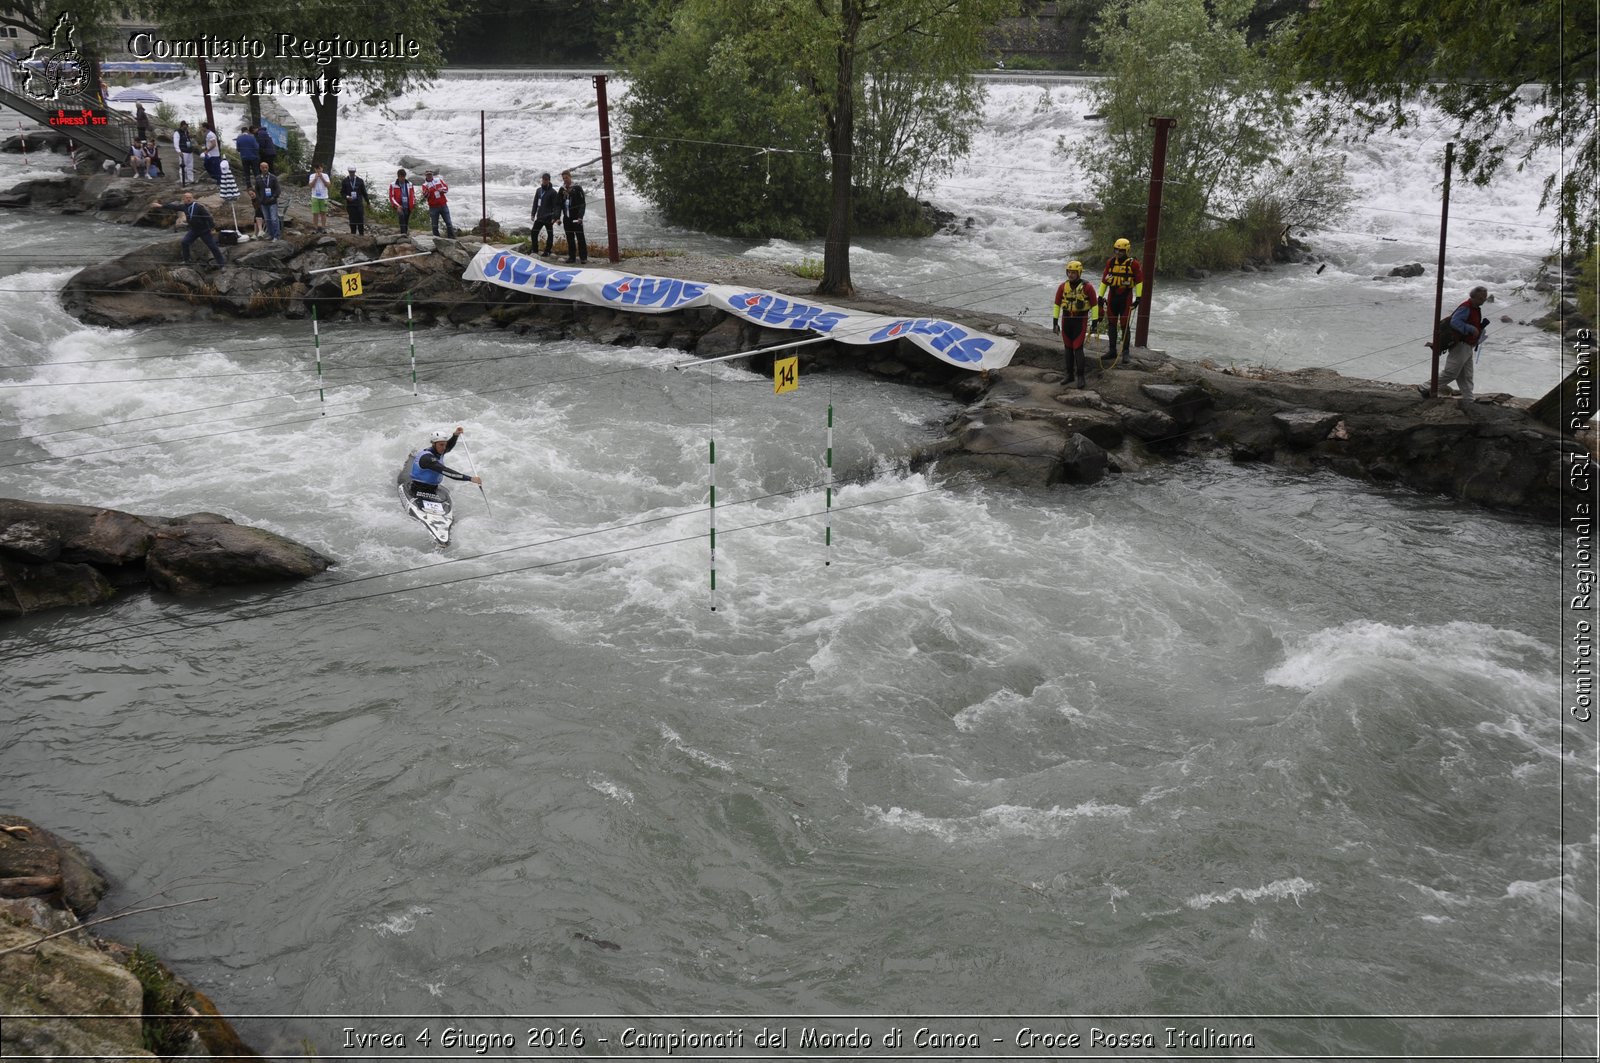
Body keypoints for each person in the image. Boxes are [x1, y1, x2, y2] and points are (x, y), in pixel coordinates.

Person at [1419, 286, 1489, 401]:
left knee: (1466, 375)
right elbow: (1455, 322)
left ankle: (1469, 398)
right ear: (1474, 297)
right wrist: (1471, 329)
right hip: (1460, 344)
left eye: (1485, 298)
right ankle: (1424, 387)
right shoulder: (1466, 307)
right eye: (1481, 298)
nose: (1484, 300)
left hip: (1468, 345)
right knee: (1451, 372)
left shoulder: (1475, 308)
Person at [1051, 259, 1100, 389]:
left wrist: (1094, 324)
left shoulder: (1087, 287)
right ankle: (1069, 375)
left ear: (1079, 273)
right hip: (1066, 319)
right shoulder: (1062, 287)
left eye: (1073, 272)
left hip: (1080, 320)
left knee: (1077, 348)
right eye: (1069, 272)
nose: (1071, 275)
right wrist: (1055, 322)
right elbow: (1057, 304)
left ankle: (1081, 377)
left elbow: (1095, 306)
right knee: (1067, 348)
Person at [1099, 236, 1144, 366]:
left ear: (1127, 251)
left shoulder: (1134, 264)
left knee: (1124, 325)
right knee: (1112, 324)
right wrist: (1100, 297)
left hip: (1126, 298)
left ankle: (1125, 352)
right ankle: (1112, 350)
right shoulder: (1111, 263)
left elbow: (1139, 281)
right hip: (1112, 297)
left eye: (1121, 251)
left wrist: (1138, 298)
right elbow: (1104, 280)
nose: (1118, 253)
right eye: (1116, 250)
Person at [151, 192, 226, 268]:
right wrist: (160, 206)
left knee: (212, 246)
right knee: (185, 242)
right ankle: (187, 260)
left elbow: (208, 217)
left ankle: (221, 263)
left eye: (190, 197)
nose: (189, 199)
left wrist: (211, 228)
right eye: (187, 197)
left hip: (204, 230)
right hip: (194, 230)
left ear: (192, 198)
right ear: (184, 199)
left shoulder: (198, 207)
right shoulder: (184, 207)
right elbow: (173, 207)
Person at [407, 427, 482, 498]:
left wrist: (455, 435)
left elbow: (448, 446)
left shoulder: (439, 450)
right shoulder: (427, 458)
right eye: (441, 445)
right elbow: (447, 472)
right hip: (417, 488)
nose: (444, 448)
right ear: (433, 444)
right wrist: (470, 479)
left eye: (445, 445)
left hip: (433, 488)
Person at [560, 169, 587, 264]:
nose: (565, 180)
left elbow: (582, 204)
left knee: (580, 237)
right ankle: (572, 257)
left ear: (570, 177)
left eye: (566, 178)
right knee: (570, 238)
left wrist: (580, 216)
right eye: (563, 178)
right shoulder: (562, 189)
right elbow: (558, 204)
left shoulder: (577, 188)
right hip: (567, 218)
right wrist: (556, 217)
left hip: (576, 218)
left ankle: (583, 257)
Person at [531, 172, 560, 256]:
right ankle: (535, 249)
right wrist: (533, 214)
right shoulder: (539, 190)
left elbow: (556, 206)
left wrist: (554, 217)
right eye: (543, 179)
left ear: (549, 180)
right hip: (540, 216)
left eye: (546, 180)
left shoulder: (553, 192)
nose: (544, 181)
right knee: (534, 232)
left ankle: (547, 250)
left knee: (550, 234)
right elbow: (535, 202)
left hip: (549, 218)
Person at [420, 169, 455, 238]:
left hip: (443, 204)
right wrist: (428, 191)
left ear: (432, 175)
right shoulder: (424, 185)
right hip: (433, 207)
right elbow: (425, 196)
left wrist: (441, 190)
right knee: (434, 225)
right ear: (425, 176)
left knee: (448, 222)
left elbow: (446, 188)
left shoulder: (438, 180)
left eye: (430, 174)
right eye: (428, 175)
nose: (429, 176)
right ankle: (437, 239)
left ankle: (451, 237)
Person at [253, 161, 282, 240]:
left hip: (272, 202)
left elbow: (278, 189)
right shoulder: (258, 178)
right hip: (263, 202)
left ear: (268, 167)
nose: (265, 169)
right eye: (263, 167)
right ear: (260, 168)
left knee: (274, 219)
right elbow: (256, 190)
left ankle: (276, 236)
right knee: (267, 219)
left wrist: (274, 197)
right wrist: (259, 199)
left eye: (266, 167)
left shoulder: (273, 177)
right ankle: (270, 234)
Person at [340, 166, 371, 234]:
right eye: (350, 172)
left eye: (353, 172)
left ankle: (361, 235)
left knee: (360, 219)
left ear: (355, 172)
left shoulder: (360, 180)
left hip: (359, 203)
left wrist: (368, 202)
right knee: (352, 220)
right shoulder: (345, 181)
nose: (352, 173)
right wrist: (347, 197)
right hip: (350, 204)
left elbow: (364, 192)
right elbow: (342, 192)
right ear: (348, 172)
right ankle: (353, 235)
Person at [390, 168, 416, 236]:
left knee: (406, 220)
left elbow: (413, 195)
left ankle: (405, 233)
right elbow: (391, 197)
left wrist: (413, 205)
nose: (402, 178)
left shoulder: (410, 184)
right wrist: (397, 206)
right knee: (401, 216)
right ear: (398, 176)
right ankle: (403, 234)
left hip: (407, 205)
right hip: (399, 206)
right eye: (401, 177)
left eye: (403, 177)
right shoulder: (393, 185)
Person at [307, 164, 331, 233]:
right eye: (317, 169)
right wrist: (315, 178)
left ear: (322, 169)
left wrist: (321, 178)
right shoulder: (312, 176)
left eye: (319, 168)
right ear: (315, 169)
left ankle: (323, 227)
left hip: (324, 197)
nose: (318, 170)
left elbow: (328, 185)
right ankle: (315, 228)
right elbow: (311, 186)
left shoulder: (325, 175)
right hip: (315, 196)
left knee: (323, 213)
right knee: (315, 213)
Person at [172, 121, 194, 185]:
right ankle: (183, 180)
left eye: (187, 125)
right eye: (185, 125)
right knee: (183, 166)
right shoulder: (177, 133)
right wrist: (178, 151)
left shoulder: (186, 132)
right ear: (182, 125)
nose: (187, 126)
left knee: (190, 166)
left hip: (189, 151)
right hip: (183, 151)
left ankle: (191, 179)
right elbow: (176, 143)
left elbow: (188, 141)